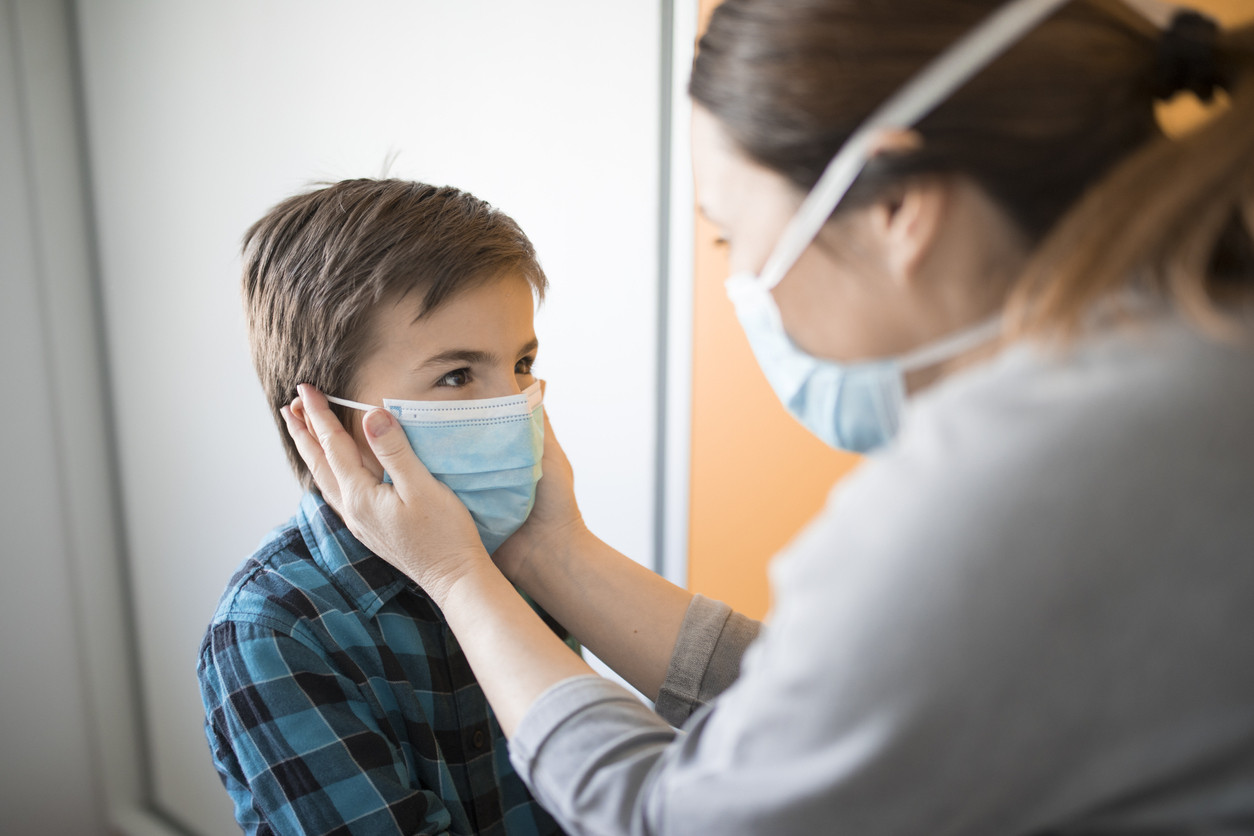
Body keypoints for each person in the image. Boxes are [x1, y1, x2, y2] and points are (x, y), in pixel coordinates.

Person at [283, 0, 1254, 833]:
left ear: (896, 205)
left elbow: (679, 816)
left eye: (733, 234)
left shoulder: (1006, 486)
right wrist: (547, 553)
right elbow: (835, 701)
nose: (747, 280)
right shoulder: (1193, 361)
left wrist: (461, 578)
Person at [198, 178, 572, 835]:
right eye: (457, 375)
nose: (514, 405)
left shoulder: (519, 552)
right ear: (321, 420)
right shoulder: (275, 630)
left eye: (522, 363)